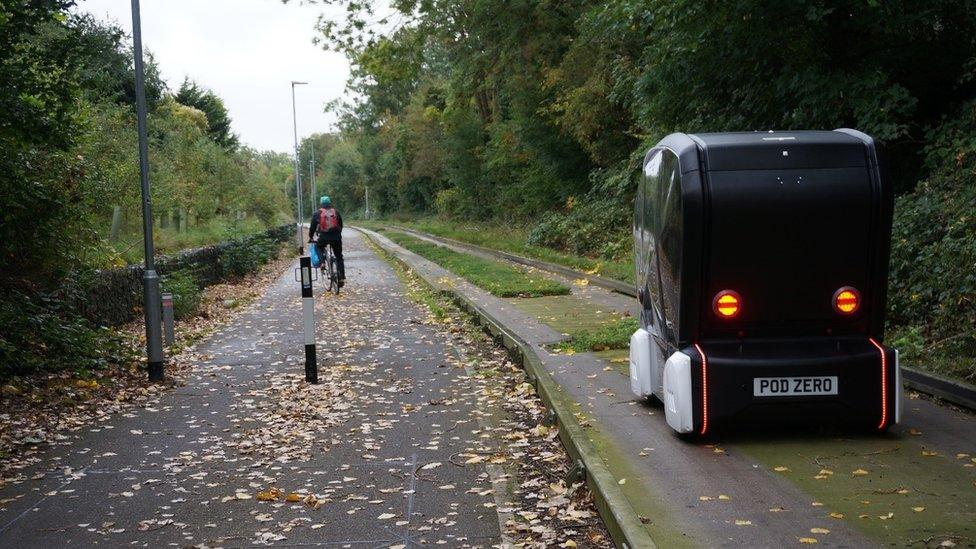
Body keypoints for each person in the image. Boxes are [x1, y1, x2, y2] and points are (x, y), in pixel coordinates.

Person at [308, 195, 345, 286]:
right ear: (329, 203)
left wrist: (311, 237)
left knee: (318, 246)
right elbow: (341, 224)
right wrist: (338, 233)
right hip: (336, 237)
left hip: (324, 237)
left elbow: (312, 227)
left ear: (321, 204)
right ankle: (342, 277)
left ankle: (322, 263)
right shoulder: (335, 212)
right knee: (339, 256)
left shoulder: (318, 213)